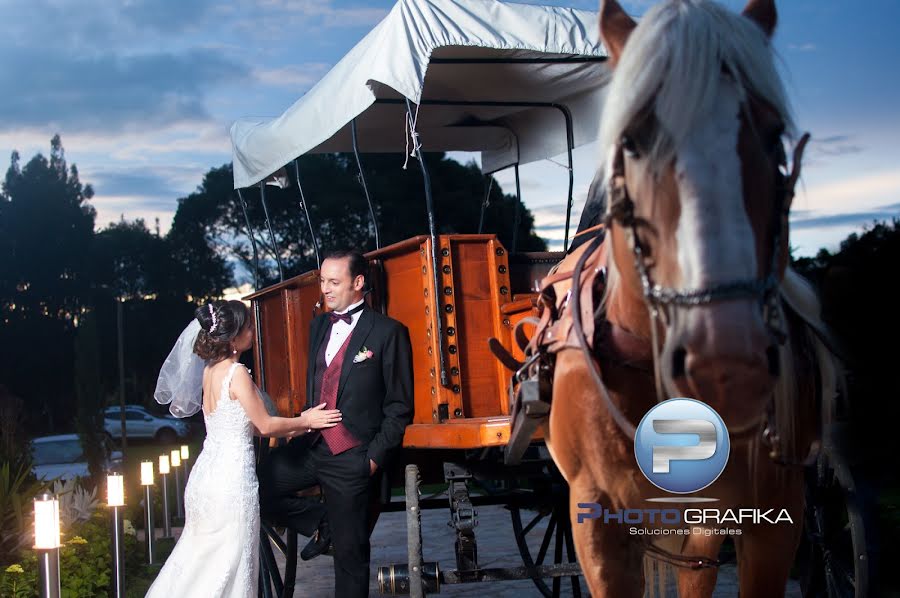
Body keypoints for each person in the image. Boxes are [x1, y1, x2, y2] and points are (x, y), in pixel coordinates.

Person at [147, 300, 342, 598]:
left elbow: (242, 423)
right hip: (231, 482)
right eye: (249, 326)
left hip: (205, 479)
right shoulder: (237, 373)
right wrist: (307, 421)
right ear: (235, 336)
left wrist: (296, 422)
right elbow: (264, 426)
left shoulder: (209, 371)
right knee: (232, 563)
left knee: (198, 560)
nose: (253, 331)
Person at [259, 249, 414, 598]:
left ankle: (335, 527)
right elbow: (317, 381)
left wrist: (371, 459)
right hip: (312, 447)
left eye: (334, 282)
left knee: (350, 557)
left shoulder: (388, 333)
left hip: (353, 457)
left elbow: (399, 406)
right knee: (255, 484)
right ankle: (321, 521)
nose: (325, 289)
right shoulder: (318, 326)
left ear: (358, 282)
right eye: (322, 281)